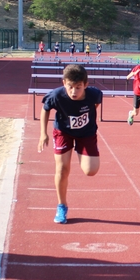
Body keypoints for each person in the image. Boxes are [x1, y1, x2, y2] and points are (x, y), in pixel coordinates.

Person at [38, 64, 103, 224]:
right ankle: (62, 205)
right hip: (63, 132)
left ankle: (81, 150)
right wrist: (43, 134)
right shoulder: (56, 95)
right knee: (62, 168)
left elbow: (95, 105)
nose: (74, 91)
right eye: (70, 87)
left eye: (78, 87)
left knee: (90, 171)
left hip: (86, 133)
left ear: (85, 85)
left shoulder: (94, 94)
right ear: (64, 83)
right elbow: (45, 109)